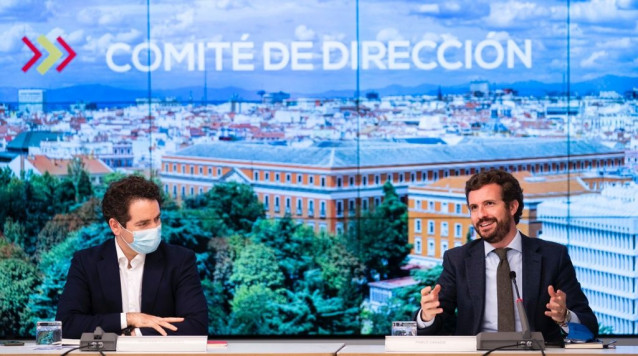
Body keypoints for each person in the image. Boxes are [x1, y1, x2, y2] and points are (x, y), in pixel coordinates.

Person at [415, 169, 597, 343]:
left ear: (512, 206)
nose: (481, 215)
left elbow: (589, 326)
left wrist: (564, 317)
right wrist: (427, 315)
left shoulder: (553, 257)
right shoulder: (457, 259)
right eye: (474, 207)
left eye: (489, 204)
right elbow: (431, 326)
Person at [56, 175, 208, 338]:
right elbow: (67, 323)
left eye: (157, 219)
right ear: (115, 226)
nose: (154, 228)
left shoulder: (180, 260)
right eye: (143, 224)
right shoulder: (86, 262)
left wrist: (136, 334)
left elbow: (197, 325)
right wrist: (128, 319)